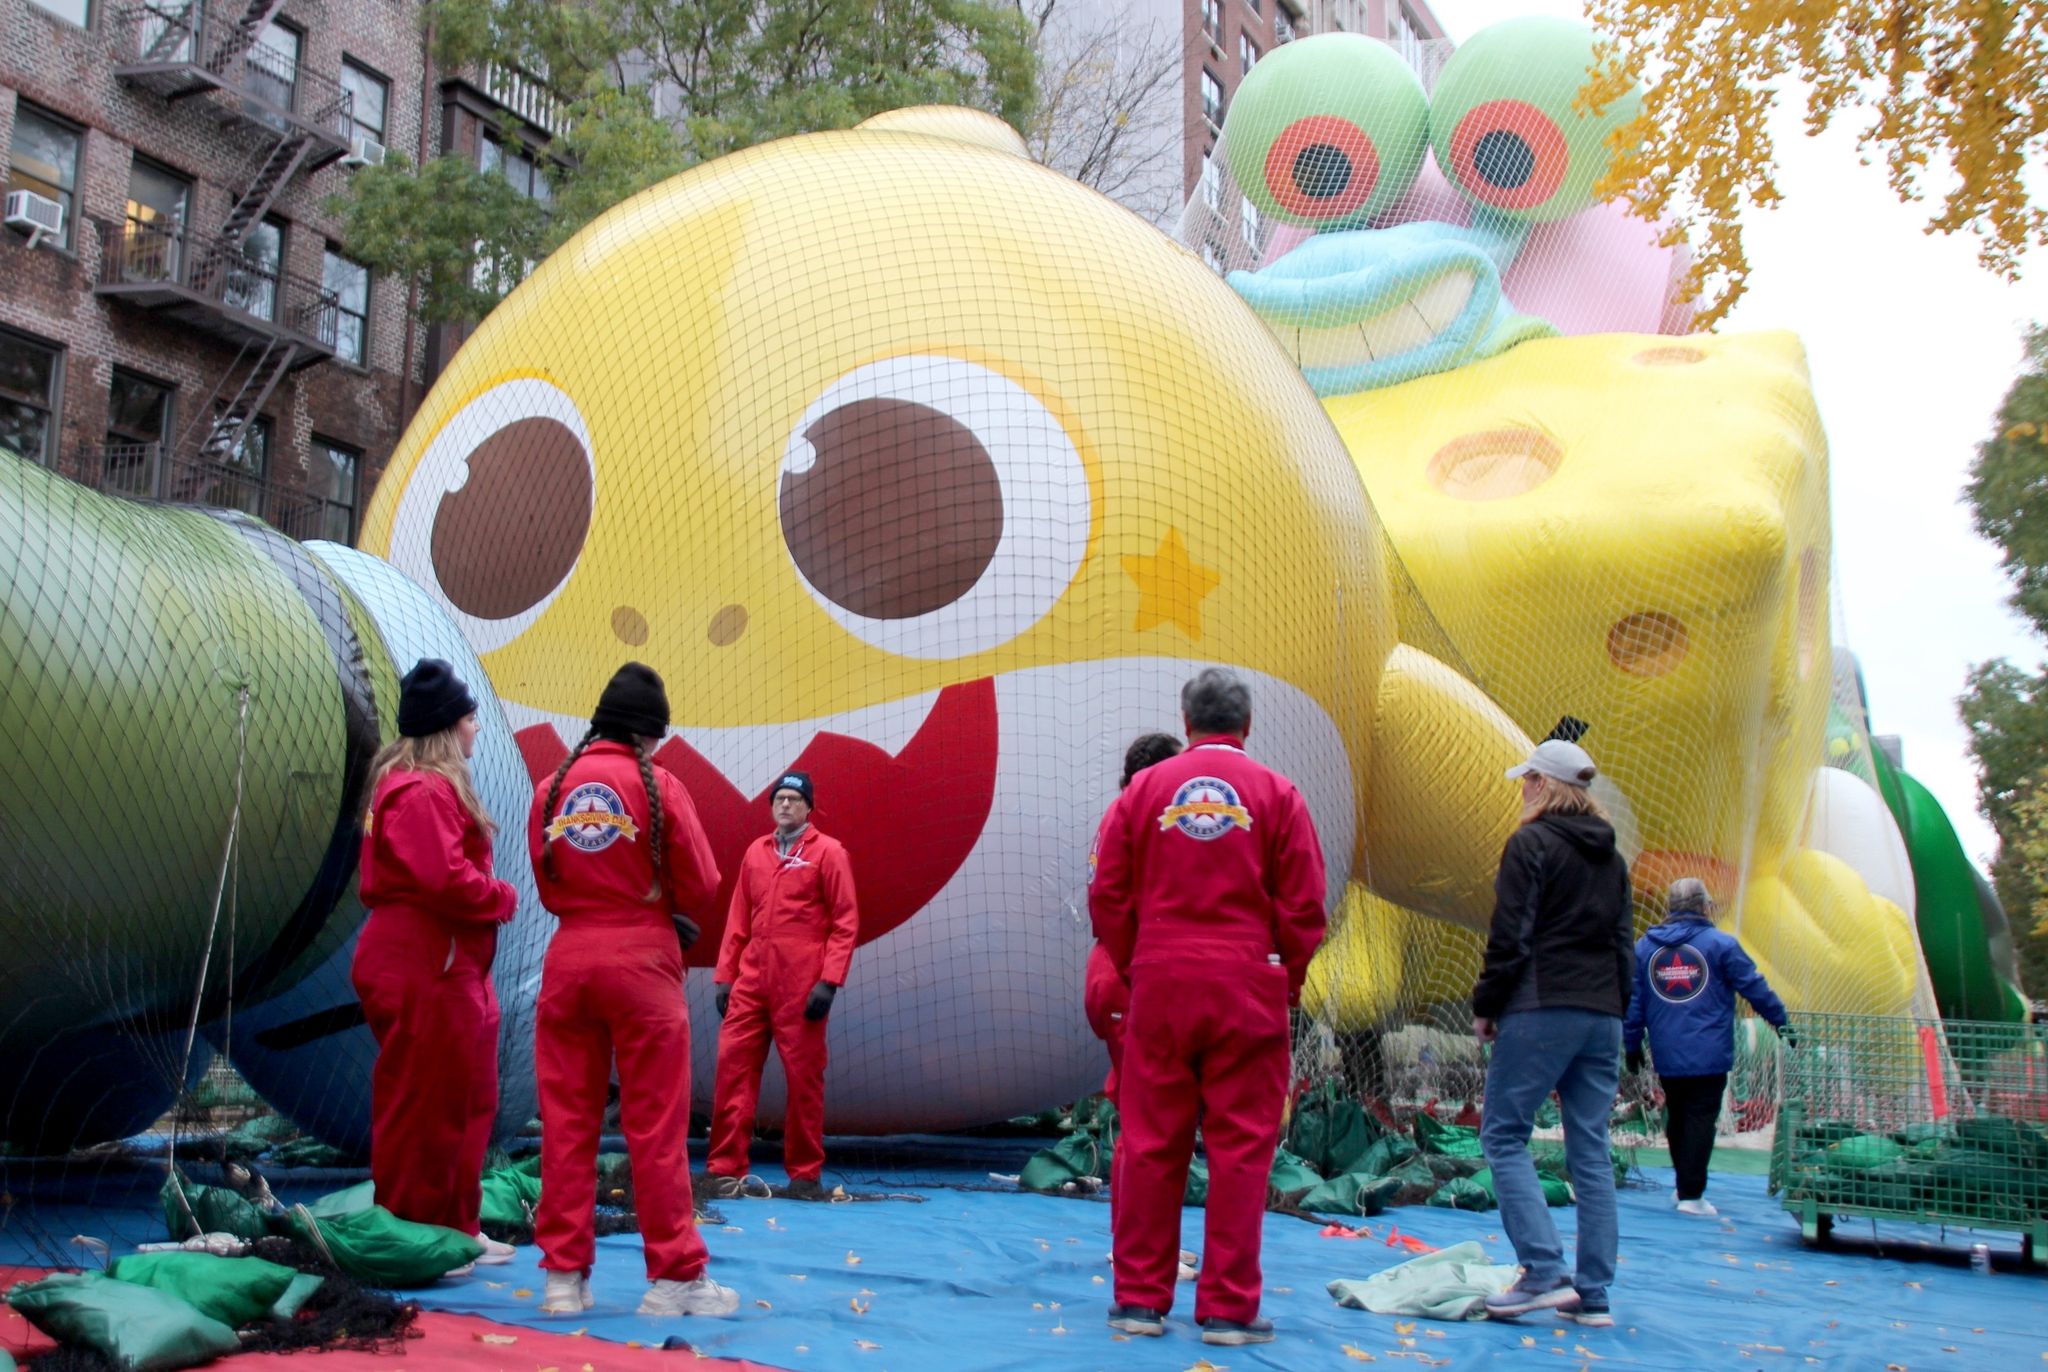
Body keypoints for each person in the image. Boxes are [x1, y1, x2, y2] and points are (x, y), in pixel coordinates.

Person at [1090, 669, 1328, 1348]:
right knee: (1242, 1149)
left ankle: (1138, 1301)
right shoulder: (1278, 794)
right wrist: (1284, 975)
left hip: (1161, 980)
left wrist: (1141, 963)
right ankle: (1227, 1308)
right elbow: (1305, 906)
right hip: (1247, 982)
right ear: (1246, 725)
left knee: (1150, 1143)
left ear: (1186, 721)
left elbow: (1108, 894)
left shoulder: (1143, 792)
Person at [527, 663, 736, 1319]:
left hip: (569, 961)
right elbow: (702, 881)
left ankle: (564, 1279)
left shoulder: (549, 789)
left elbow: (547, 883)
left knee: (565, 1126)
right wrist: (651, 901)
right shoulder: (660, 785)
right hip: (642, 962)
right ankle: (674, 1276)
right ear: (649, 734)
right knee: (655, 1127)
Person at [353, 660, 518, 1267]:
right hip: (427, 961)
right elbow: (442, 879)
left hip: (446, 963)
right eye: (471, 718)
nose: (478, 729)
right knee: (423, 1102)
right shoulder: (422, 790)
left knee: (465, 1097)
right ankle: (411, 1231)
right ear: (448, 728)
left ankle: (455, 1223)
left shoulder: (415, 785)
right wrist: (500, 895)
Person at [1471, 738, 1634, 1329]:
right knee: (1589, 1149)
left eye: (1526, 780)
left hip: (1542, 1006)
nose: (1522, 789)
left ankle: (1543, 1271)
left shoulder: (1530, 843)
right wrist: (1620, 1015)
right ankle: (1593, 1293)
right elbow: (1623, 945)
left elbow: (1510, 935)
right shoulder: (1612, 860)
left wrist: (1488, 1004)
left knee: (1505, 1135)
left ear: (1542, 785)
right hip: (1603, 1015)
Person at [704, 770, 860, 1201]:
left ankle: (805, 1175)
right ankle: (724, 1170)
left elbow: (845, 922)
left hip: (802, 979)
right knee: (733, 1069)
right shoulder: (757, 852)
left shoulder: (829, 853)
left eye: (794, 798)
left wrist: (829, 982)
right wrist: (725, 976)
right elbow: (738, 918)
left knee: (804, 1078)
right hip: (754, 977)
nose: (786, 805)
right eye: (780, 798)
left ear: (809, 807)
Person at [1623, 876, 1791, 1217]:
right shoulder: (1721, 945)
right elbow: (1753, 986)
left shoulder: (1645, 948)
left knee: (1678, 1114)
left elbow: (1634, 1000)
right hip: (1709, 1051)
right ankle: (1691, 1194)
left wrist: (1631, 1043)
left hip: (1666, 1050)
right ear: (1703, 906)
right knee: (1700, 1117)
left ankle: (1684, 1185)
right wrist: (1781, 1020)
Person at [1085, 732, 1185, 1104]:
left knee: (1143, 1097)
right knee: (1150, 1103)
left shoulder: (1127, 811)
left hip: (1118, 971)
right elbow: (1107, 900)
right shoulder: (1137, 815)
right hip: (1125, 974)